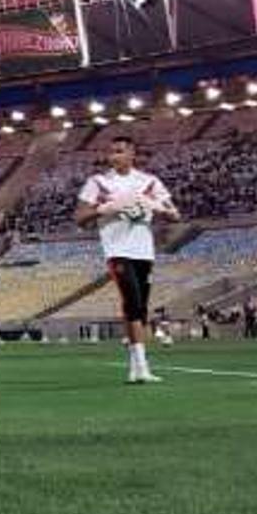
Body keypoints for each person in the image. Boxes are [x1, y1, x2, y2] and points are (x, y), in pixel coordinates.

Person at [74, 133, 179, 384]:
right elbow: (79, 217)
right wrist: (104, 209)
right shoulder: (98, 182)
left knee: (141, 307)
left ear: (133, 154)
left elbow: (174, 215)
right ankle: (141, 367)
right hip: (117, 250)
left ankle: (136, 368)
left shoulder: (150, 182)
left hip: (144, 251)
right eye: (112, 151)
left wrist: (155, 207)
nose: (115, 156)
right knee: (131, 301)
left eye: (120, 151)